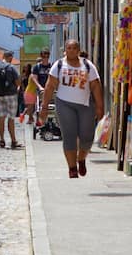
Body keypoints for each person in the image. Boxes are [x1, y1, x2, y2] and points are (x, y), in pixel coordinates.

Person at [39, 39, 104, 179]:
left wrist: (100, 106)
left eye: (74, 48)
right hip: (64, 103)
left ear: (79, 50)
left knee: (87, 137)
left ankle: (81, 159)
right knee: (69, 135)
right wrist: (44, 107)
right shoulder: (59, 65)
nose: (71, 51)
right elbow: (50, 86)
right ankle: (72, 168)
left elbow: (95, 86)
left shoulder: (87, 65)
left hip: (85, 104)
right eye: (69, 48)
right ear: (65, 51)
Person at [0, 52, 22, 149]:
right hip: (10, 95)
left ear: (2, 57)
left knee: (1, 117)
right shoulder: (11, 67)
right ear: (10, 57)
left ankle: (1, 139)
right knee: (11, 118)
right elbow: (18, 82)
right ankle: (13, 140)